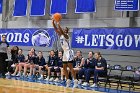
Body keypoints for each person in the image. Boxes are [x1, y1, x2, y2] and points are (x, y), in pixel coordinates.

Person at [52, 19, 78, 88]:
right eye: (63, 29)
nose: (63, 29)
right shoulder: (61, 35)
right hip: (65, 52)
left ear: (66, 31)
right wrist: (53, 22)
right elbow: (56, 29)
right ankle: (68, 81)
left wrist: (58, 24)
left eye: (64, 29)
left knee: (70, 67)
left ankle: (75, 81)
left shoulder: (66, 36)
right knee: (64, 68)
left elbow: (60, 30)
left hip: (69, 52)